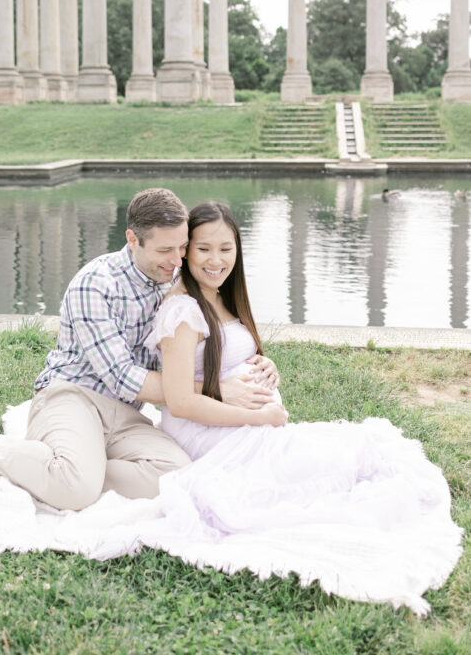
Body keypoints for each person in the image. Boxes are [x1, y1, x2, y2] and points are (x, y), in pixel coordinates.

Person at [113, 200, 461, 612]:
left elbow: (226, 355)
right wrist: (259, 415)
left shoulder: (218, 295)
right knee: (336, 468)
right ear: (186, 251)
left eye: (225, 249)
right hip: (213, 439)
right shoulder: (183, 311)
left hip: (247, 428)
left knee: (356, 453)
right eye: (203, 249)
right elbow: (181, 402)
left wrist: (262, 364)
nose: (216, 260)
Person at [0, 188, 279, 511]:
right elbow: (123, 377)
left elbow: (213, 333)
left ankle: (50, 471)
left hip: (127, 414)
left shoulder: (175, 279)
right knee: (76, 487)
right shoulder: (96, 284)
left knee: (175, 474)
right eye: (165, 250)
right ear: (133, 239)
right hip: (73, 397)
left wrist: (255, 362)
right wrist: (215, 391)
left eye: (182, 247)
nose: (177, 259)